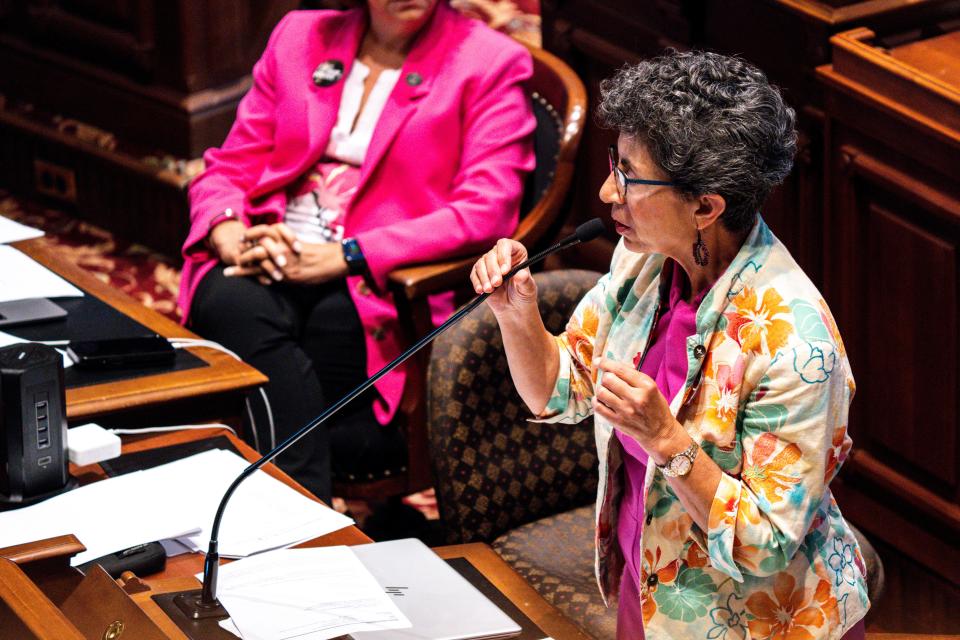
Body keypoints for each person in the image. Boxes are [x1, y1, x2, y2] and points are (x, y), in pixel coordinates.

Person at [471, 50, 869, 639]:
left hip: (759, 622)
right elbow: (557, 392)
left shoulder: (795, 343)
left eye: (629, 175)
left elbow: (764, 545)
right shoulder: (643, 263)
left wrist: (664, 438)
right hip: (656, 590)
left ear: (706, 206)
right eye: (615, 162)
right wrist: (517, 314)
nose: (608, 191)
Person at [178, 0, 535, 503]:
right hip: (269, 244)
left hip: (374, 280)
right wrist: (229, 231)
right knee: (226, 301)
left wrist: (348, 255)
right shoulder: (299, 36)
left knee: (310, 337)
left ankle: (289, 514)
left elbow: (487, 209)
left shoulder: (487, 60)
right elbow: (231, 165)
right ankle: (306, 515)